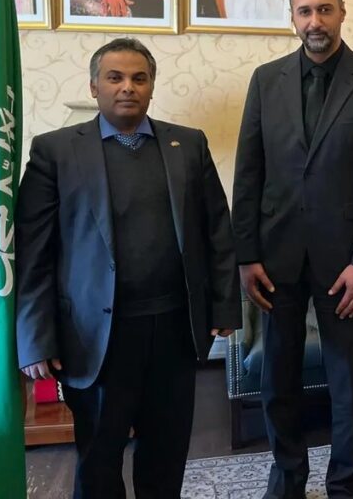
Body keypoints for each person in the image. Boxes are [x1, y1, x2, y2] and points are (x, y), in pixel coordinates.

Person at [15, 37, 240, 499]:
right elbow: (35, 251)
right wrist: (36, 337)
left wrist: (224, 308)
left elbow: (217, 230)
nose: (127, 87)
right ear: (94, 86)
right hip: (96, 336)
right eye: (114, 77)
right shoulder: (55, 151)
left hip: (174, 330)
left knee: (166, 454)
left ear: (152, 87)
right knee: (99, 459)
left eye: (139, 78)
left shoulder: (188, 144)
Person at [232, 0, 353, 499]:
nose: (315, 21)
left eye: (324, 9)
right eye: (304, 11)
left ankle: (346, 484)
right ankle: (287, 478)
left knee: (347, 382)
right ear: (292, 18)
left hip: (344, 262)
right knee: (277, 379)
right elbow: (248, 173)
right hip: (275, 259)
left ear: (342, 12)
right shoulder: (266, 80)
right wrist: (246, 254)